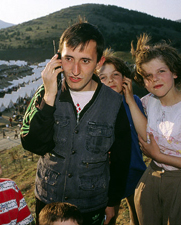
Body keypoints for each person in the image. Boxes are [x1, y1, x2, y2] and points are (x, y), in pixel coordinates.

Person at [21, 20, 131, 225]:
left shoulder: (115, 103)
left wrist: (113, 201)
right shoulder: (44, 93)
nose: (75, 70)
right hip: (48, 201)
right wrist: (49, 98)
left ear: (99, 62)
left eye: (85, 61)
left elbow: (121, 157)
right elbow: (32, 144)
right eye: (69, 59)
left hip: (91, 204)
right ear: (57, 59)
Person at [126, 33, 181, 225]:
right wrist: (130, 99)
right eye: (148, 76)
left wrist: (160, 157)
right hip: (153, 177)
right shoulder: (150, 102)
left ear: (174, 71)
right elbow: (145, 133)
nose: (154, 79)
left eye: (160, 71)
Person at [96, 48, 146, 225]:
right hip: (110, 175)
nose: (109, 80)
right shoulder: (97, 108)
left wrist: (131, 99)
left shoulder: (134, 101)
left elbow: (144, 134)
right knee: (110, 216)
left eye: (115, 74)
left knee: (139, 216)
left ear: (124, 78)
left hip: (134, 169)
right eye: (103, 77)